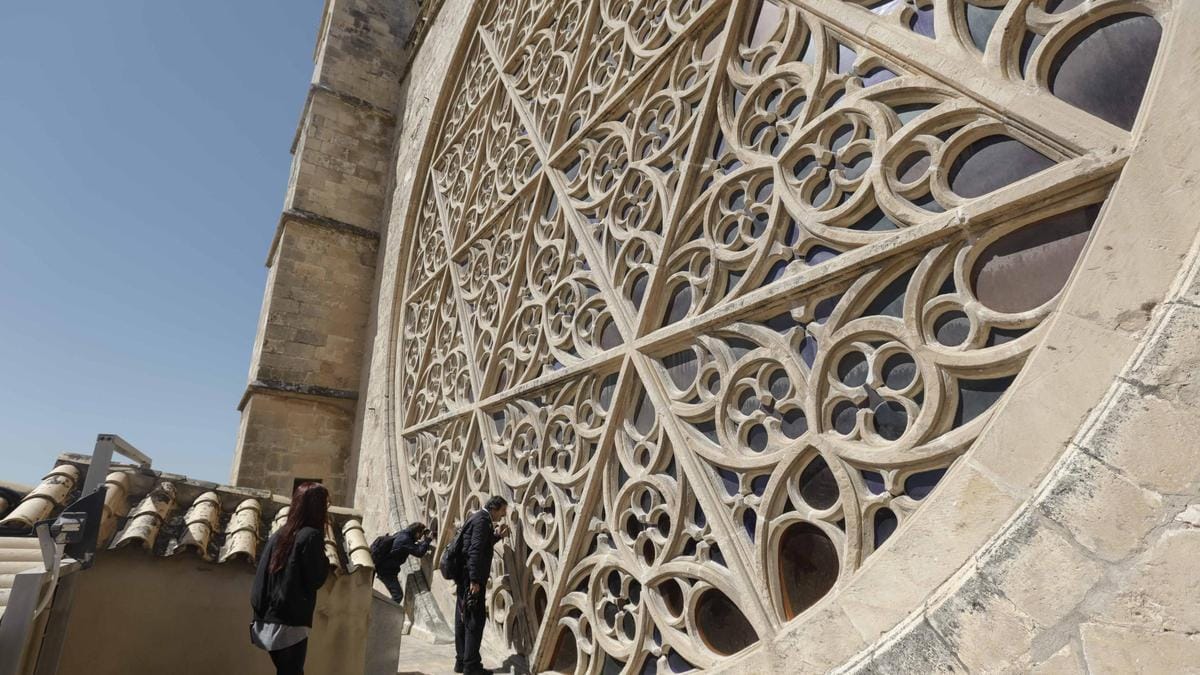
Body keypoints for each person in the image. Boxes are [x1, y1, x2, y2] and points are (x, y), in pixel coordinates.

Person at [250, 482, 331, 675]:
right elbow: (316, 578)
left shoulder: (281, 533)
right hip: (290, 624)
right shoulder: (311, 536)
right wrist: (325, 560)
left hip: (265, 621)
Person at [454, 496, 510, 675]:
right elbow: (475, 550)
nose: (504, 515)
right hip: (470, 579)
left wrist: (497, 536)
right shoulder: (482, 520)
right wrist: (475, 581)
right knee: (474, 621)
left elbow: (479, 544)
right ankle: (472, 666)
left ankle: (461, 662)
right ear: (495, 508)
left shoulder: (478, 517)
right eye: (503, 511)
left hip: (465, 577)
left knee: (463, 619)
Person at [371, 521, 433, 603]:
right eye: (420, 535)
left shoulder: (403, 533)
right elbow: (419, 552)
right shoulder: (405, 540)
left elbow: (412, 546)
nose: (419, 538)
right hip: (386, 572)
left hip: (385, 567)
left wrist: (423, 542)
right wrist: (427, 540)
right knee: (398, 596)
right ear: (417, 533)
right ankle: (387, 613)